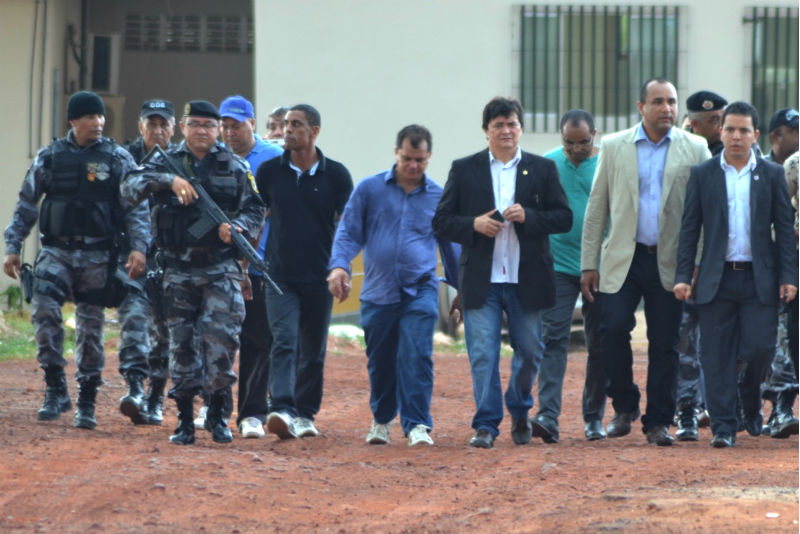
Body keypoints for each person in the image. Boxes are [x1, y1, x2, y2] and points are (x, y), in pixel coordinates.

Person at [3, 90, 150, 430]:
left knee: (90, 327)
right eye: (89, 117)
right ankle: (55, 386)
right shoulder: (50, 157)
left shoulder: (117, 158)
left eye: (100, 117)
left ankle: (86, 399)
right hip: (57, 251)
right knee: (43, 307)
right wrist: (13, 245)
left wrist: (139, 248)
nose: (97, 122)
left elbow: (136, 207)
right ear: (73, 121)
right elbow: (27, 202)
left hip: (100, 253)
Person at [122, 100, 266, 445]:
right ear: (183, 127)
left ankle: (217, 416)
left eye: (209, 125)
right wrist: (169, 180)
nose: (202, 130)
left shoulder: (235, 166)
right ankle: (184, 420)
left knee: (222, 345)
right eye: (195, 124)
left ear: (218, 130)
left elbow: (256, 208)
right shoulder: (163, 161)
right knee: (182, 347)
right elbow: (128, 187)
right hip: (177, 272)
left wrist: (239, 228)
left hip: (220, 271)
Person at [432, 96, 572, 449]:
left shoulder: (542, 169)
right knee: (483, 353)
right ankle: (486, 424)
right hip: (483, 280)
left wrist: (531, 218)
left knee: (530, 351)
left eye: (511, 124)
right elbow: (442, 222)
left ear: (521, 129)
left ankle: (521, 409)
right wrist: (474, 225)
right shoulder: (465, 169)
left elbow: (564, 217)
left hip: (528, 279)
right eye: (498, 125)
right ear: (486, 131)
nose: (505, 131)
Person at [581, 78, 711, 446]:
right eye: (658, 101)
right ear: (641, 107)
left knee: (665, 342)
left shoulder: (696, 147)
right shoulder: (614, 145)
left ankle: (658, 421)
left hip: (672, 261)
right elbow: (597, 208)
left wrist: (696, 263)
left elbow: (703, 211)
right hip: (624, 256)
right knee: (611, 331)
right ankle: (624, 405)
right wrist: (589, 263)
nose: (667, 108)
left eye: (671, 102)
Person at [674, 101, 797, 448]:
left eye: (744, 130)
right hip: (717, 279)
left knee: (759, 349)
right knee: (715, 356)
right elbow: (689, 230)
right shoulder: (704, 174)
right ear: (721, 132)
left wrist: (790, 276)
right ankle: (725, 427)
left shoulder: (771, 175)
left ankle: (748, 397)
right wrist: (684, 275)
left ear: (755, 135)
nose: (736, 136)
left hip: (760, 279)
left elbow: (784, 232)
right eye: (730, 129)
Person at [327, 125, 459, 446]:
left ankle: (417, 424)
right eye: (408, 158)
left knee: (417, 354)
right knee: (381, 359)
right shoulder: (369, 190)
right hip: (378, 291)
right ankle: (383, 419)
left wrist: (460, 287)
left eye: (421, 160)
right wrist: (340, 266)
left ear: (429, 158)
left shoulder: (438, 196)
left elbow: (450, 245)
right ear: (396, 153)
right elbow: (349, 233)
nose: (414, 166)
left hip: (421, 288)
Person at [255, 104, 353, 440]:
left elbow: (347, 229)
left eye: (295, 124)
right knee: (284, 341)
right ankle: (281, 407)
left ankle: (305, 413)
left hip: (320, 277)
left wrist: (343, 269)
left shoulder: (337, 176)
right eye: (284, 124)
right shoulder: (269, 172)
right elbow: (258, 217)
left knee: (313, 351)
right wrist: (245, 265)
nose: (287, 130)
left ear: (314, 131)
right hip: (278, 274)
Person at [531, 109, 607, 444]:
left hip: (601, 266)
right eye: (568, 143)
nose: (576, 150)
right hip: (557, 265)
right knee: (553, 338)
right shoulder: (546, 165)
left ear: (596, 134)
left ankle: (594, 418)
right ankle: (548, 414)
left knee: (600, 343)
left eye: (583, 142)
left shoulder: (607, 164)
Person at [219, 94, 283, 439]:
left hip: (260, 265)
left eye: (236, 125)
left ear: (252, 124)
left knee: (258, 339)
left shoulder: (273, 158)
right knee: (216, 339)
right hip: (217, 265)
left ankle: (252, 413)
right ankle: (213, 407)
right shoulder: (215, 158)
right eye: (224, 125)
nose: (229, 132)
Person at [671, 90, 728, 440]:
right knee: (684, 343)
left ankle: (723, 409)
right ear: (692, 124)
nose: (721, 128)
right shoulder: (679, 156)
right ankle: (687, 411)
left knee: (723, 343)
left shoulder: (736, 156)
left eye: (721, 119)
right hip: (683, 263)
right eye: (712, 122)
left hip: (724, 267)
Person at [121, 99, 177, 426]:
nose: (157, 130)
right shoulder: (123, 158)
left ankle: (154, 397)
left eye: (163, 124)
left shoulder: (181, 161)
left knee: (164, 332)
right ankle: (133, 389)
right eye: (150, 124)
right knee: (134, 322)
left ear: (173, 128)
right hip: (132, 257)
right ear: (140, 126)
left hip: (168, 259)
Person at [759, 108, 800, 437]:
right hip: (780, 263)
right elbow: (777, 224)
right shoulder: (782, 167)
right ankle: (776, 408)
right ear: (777, 135)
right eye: (794, 130)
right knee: (781, 337)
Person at [686, 91, 727, 156]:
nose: (722, 126)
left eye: (724, 119)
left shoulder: (728, 151)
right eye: (715, 120)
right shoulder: (683, 149)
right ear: (694, 124)